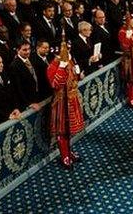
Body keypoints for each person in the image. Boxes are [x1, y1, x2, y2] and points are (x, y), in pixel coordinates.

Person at [47, 39, 85, 169]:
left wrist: (78, 73)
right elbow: (55, 84)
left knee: (69, 130)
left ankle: (69, 151)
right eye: (64, 50)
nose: (67, 52)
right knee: (62, 130)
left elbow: (75, 75)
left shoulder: (69, 61)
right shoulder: (52, 66)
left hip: (71, 98)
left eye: (68, 50)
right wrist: (62, 68)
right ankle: (65, 156)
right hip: (61, 102)